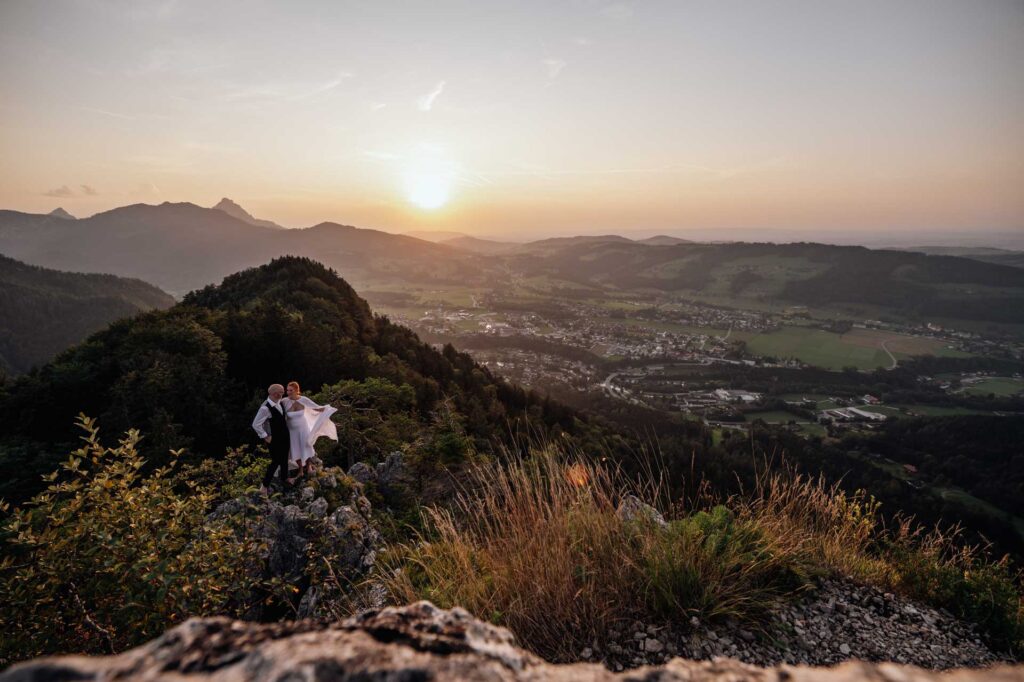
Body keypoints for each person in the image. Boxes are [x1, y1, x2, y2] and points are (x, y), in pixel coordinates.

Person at [282, 380, 338, 480]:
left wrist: (326, 409)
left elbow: (315, 408)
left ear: (296, 390)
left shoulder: (303, 399)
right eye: (287, 390)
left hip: (303, 428)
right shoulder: (285, 401)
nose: (288, 392)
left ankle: (308, 467)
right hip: (292, 431)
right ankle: (300, 471)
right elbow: (275, 405)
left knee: (305, 447)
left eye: (290, 390)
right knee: (295, 449)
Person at [252, 383, 291, 495]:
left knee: (284, 459)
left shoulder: (280, 402)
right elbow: (255, 424)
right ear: (274, 393)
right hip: (274, 439)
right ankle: (264, 486)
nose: (283, 393)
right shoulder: (265, 408)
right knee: (275, 461)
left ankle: (284, 478)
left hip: (284, 436)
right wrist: (265, 436)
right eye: (281, 391)